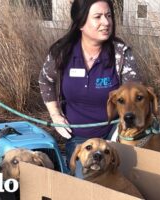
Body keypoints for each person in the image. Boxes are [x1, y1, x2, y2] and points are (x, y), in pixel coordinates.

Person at [39, 0, 141, 169]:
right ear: (80, 22)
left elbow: (135, 96)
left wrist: (121, 133)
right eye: (98, 17)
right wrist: (55, 115)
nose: (106, 22)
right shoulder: (62, 52)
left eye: (109, 16)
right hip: (80, 139)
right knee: (84, 184)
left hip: (116, 136)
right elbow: (45, 80)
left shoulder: (121, 54)